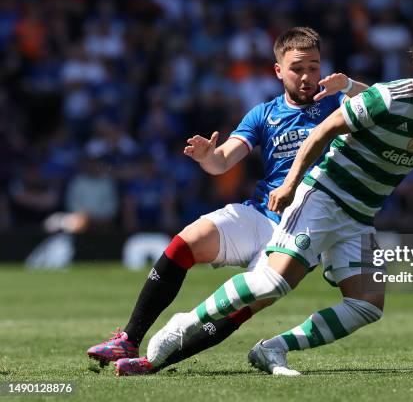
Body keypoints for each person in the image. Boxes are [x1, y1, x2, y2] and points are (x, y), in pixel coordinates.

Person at [144, 29, 413, 376]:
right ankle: (183, 324)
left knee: (368, 305)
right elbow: (322, 132)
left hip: (361, 215)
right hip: (323, 196)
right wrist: (291, 185)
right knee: (274, 282)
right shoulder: (388, 98)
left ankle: (273, 348)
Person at [85, 26, 370, 374]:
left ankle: (150, 364)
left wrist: (350, 86)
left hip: (302, 233)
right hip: (261, 215)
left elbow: (390, 107)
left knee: (234, 309)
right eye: (297, 67)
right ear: (278, 70)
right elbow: (223, 161)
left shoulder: (338, 103)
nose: (307, 76)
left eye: (314, 66)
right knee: (185, 242)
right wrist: (208, 157)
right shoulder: (263, 114)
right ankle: (128, 339)